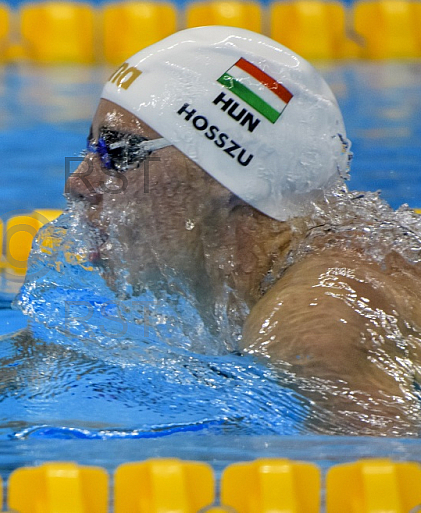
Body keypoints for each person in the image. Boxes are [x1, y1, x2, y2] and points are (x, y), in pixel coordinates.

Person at [65, 26, 421, 434]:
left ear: (231, 181)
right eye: (90, 148)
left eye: (120, 152)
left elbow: (379, 486)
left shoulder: (310, 330)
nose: (77, 183)